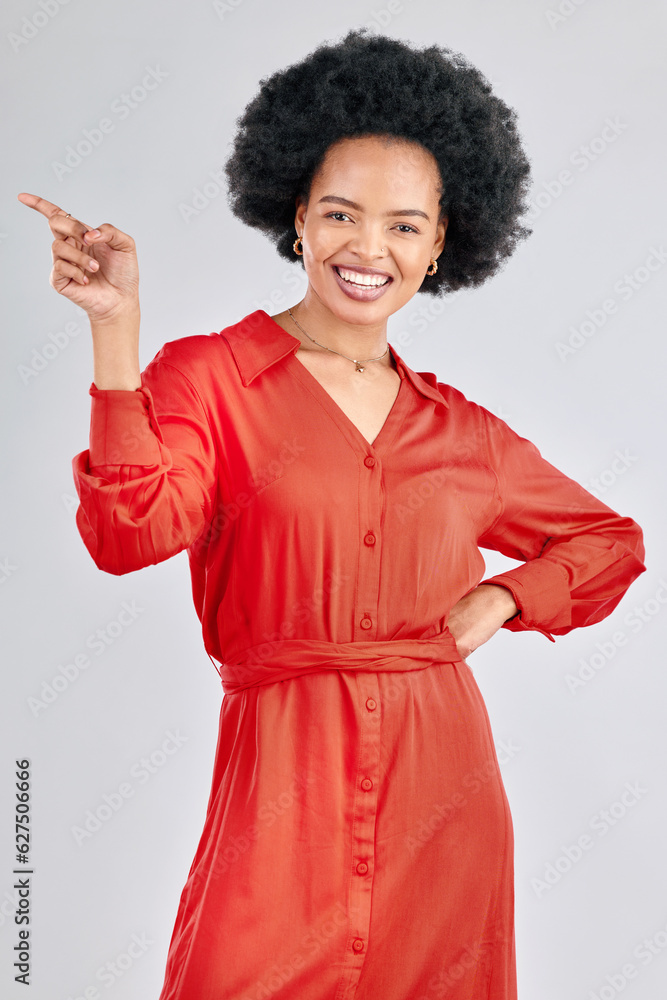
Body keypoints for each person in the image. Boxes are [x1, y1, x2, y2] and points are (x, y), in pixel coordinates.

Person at [19, 28, 645, 1000]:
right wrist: (115, 332)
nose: (369, 248)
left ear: (441, 243)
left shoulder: (460, 432)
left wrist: (503, 601)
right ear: (297, 217)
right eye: (342, 214)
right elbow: (129, 532)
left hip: (444, 798)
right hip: (279, 788)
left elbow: (609, 541)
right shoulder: (210, 377)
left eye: (404, 225)